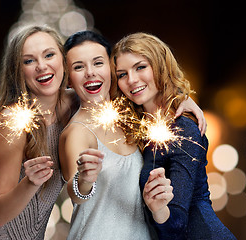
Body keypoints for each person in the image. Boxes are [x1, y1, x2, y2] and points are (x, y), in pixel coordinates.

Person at [0, 25, 77, 239]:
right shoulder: (13, 120)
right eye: (29, 61)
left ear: (63, 59)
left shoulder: (76, 104)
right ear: (18, 70)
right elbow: (0, 214)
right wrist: (30, 183)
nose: (42, 66)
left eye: (49, 55)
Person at [111, 32, 236, 240]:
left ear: (160, 66)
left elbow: (176, 225)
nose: (131, 80)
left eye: (140, 67)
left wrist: (158, 208)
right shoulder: (139, 125)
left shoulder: (183, 128)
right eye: (122, 74)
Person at [59, 30, 175, 240]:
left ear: (112, 70)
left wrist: (185, 102)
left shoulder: (129, 116)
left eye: (98, 63)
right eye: (78, 67)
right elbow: (76, 194)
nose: (90, 73)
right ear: (68, 79)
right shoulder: (77, 132)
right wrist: (84, 179)